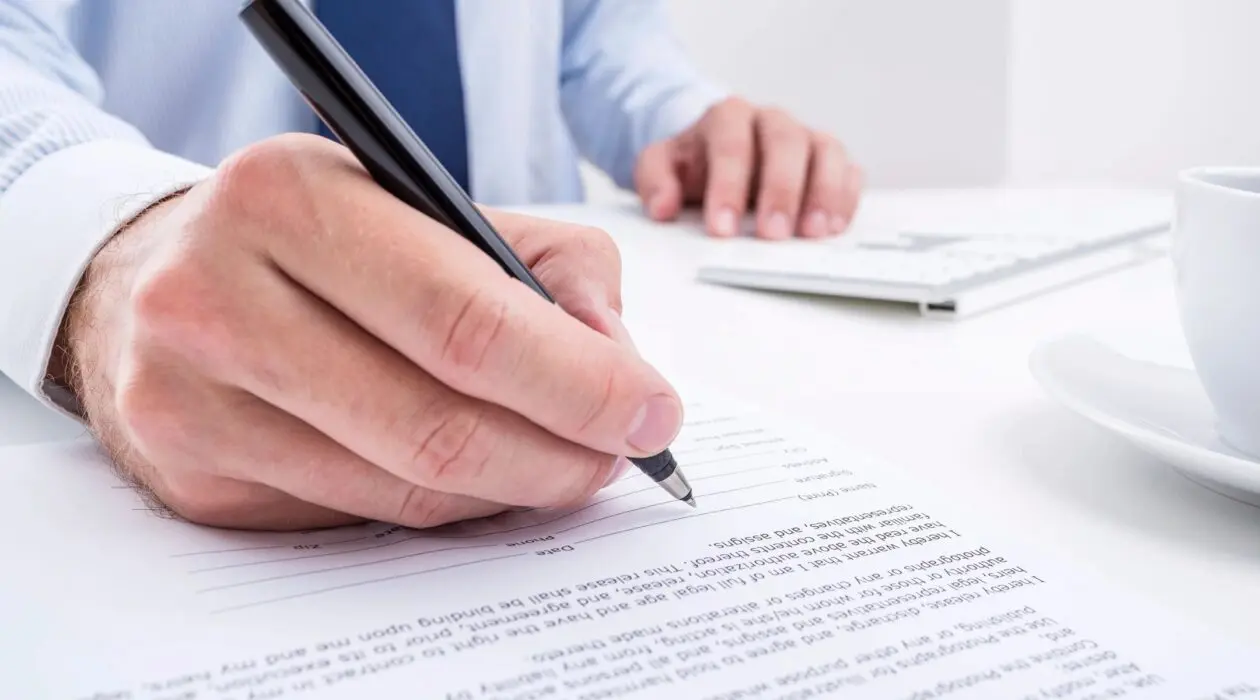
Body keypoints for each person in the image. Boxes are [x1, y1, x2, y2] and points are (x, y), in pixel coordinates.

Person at [0, 0, 862, 531]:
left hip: (553, 272)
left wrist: (682, 115)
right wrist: (113, 247)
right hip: (206, 336)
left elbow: (598, 32)